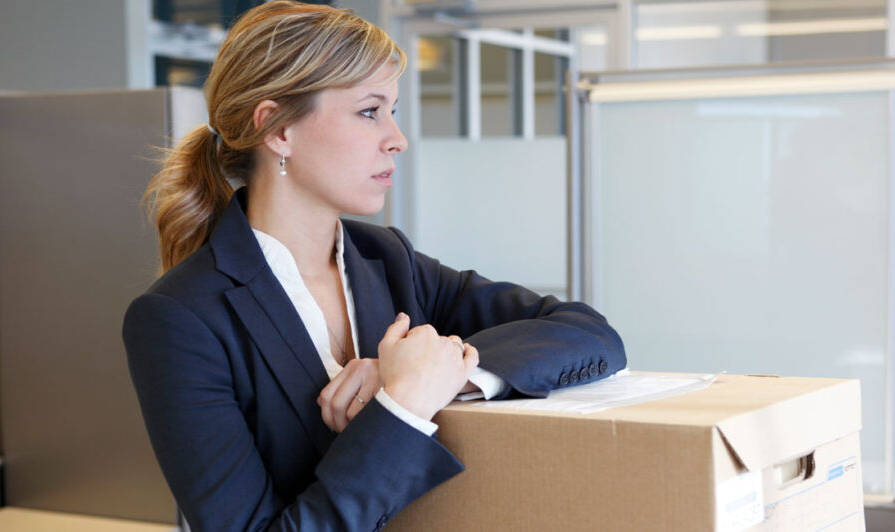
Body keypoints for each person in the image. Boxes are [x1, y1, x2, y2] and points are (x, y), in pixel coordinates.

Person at [122, 2, 626, 531]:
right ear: (277, 129)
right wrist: (401, 405)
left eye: (394, 111)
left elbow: (590, 334)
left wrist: (440, 373)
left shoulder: (390, 261)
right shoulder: (179, 320)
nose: (397, 138)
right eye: (370, 111)